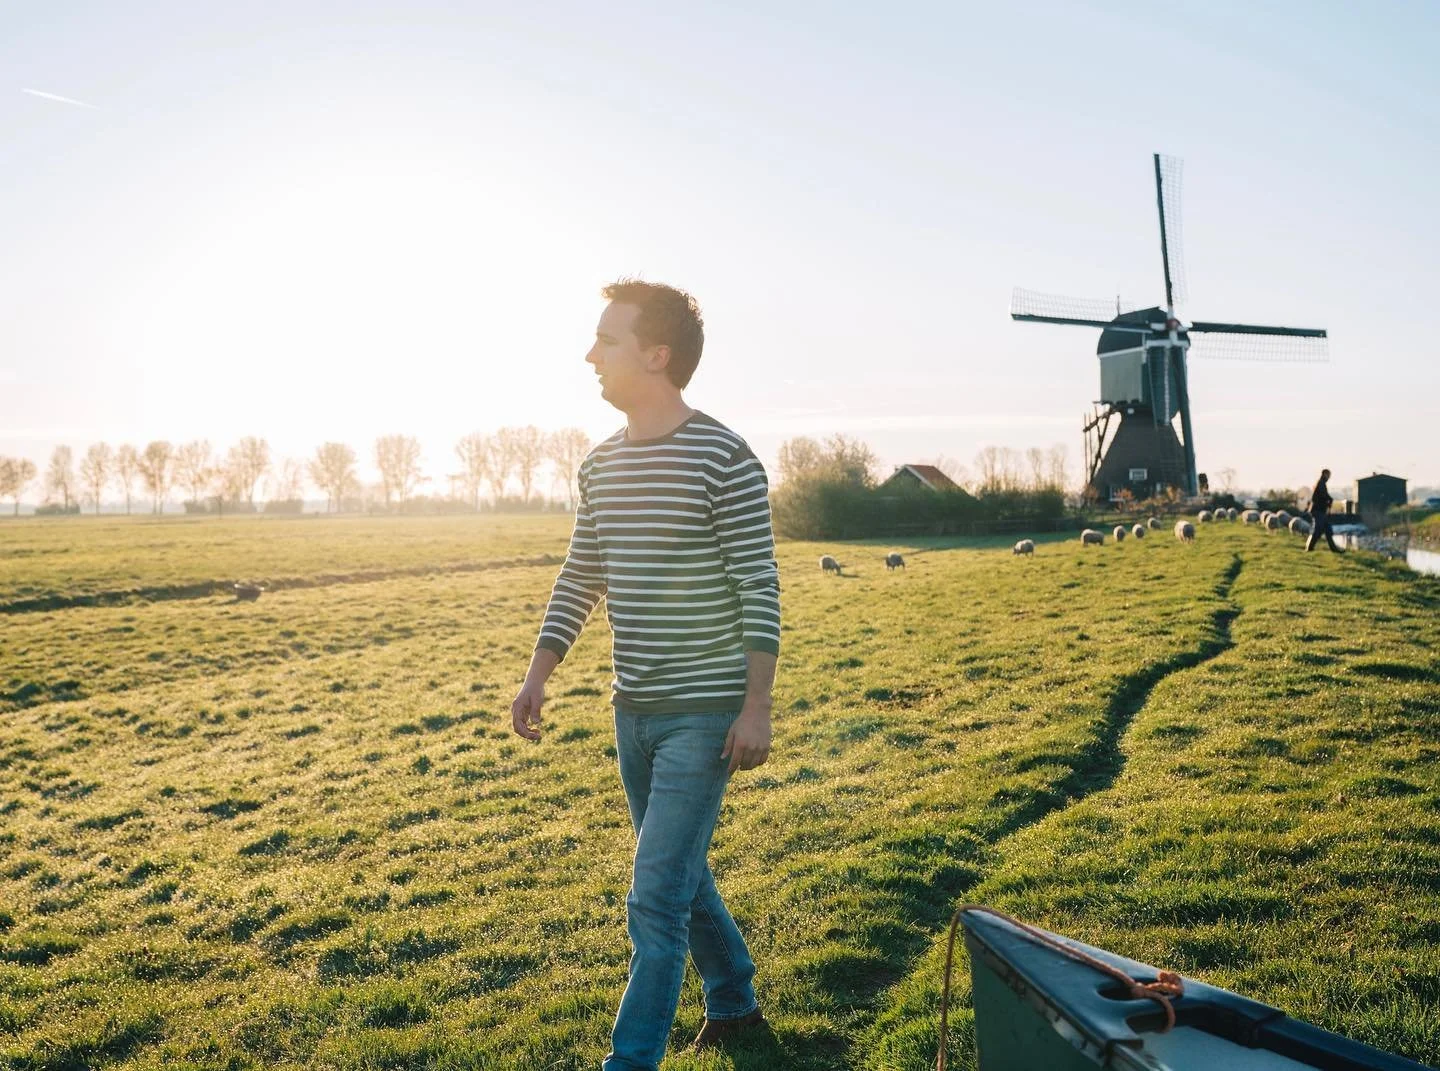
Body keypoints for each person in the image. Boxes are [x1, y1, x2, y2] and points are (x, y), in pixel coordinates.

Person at [510, 279, 779, 1071]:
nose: (590, 354)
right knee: (681, 875)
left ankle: (629, 1062)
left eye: (607, 340)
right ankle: (733, 993)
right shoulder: (598, 467)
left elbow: (757, 585)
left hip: (705, 715)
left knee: (654, 897)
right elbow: (580, 574)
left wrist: (755, 705)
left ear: (656, 355)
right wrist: (539, 674)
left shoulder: (724, 457)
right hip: (633, 713)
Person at [1306, 467, 1342, 553]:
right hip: (1318, 511)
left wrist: (1329, 500)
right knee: (1318, 530)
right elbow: (1323, 496)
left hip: (1320, 511)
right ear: (1325, 474)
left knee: (1328, 530)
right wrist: (1329, 500)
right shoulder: (1321, 483)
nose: (1329, 477)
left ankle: (1334, 549)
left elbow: (1324, 495)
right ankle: (1309, 548)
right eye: (1329, 475)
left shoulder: (1321, 483)